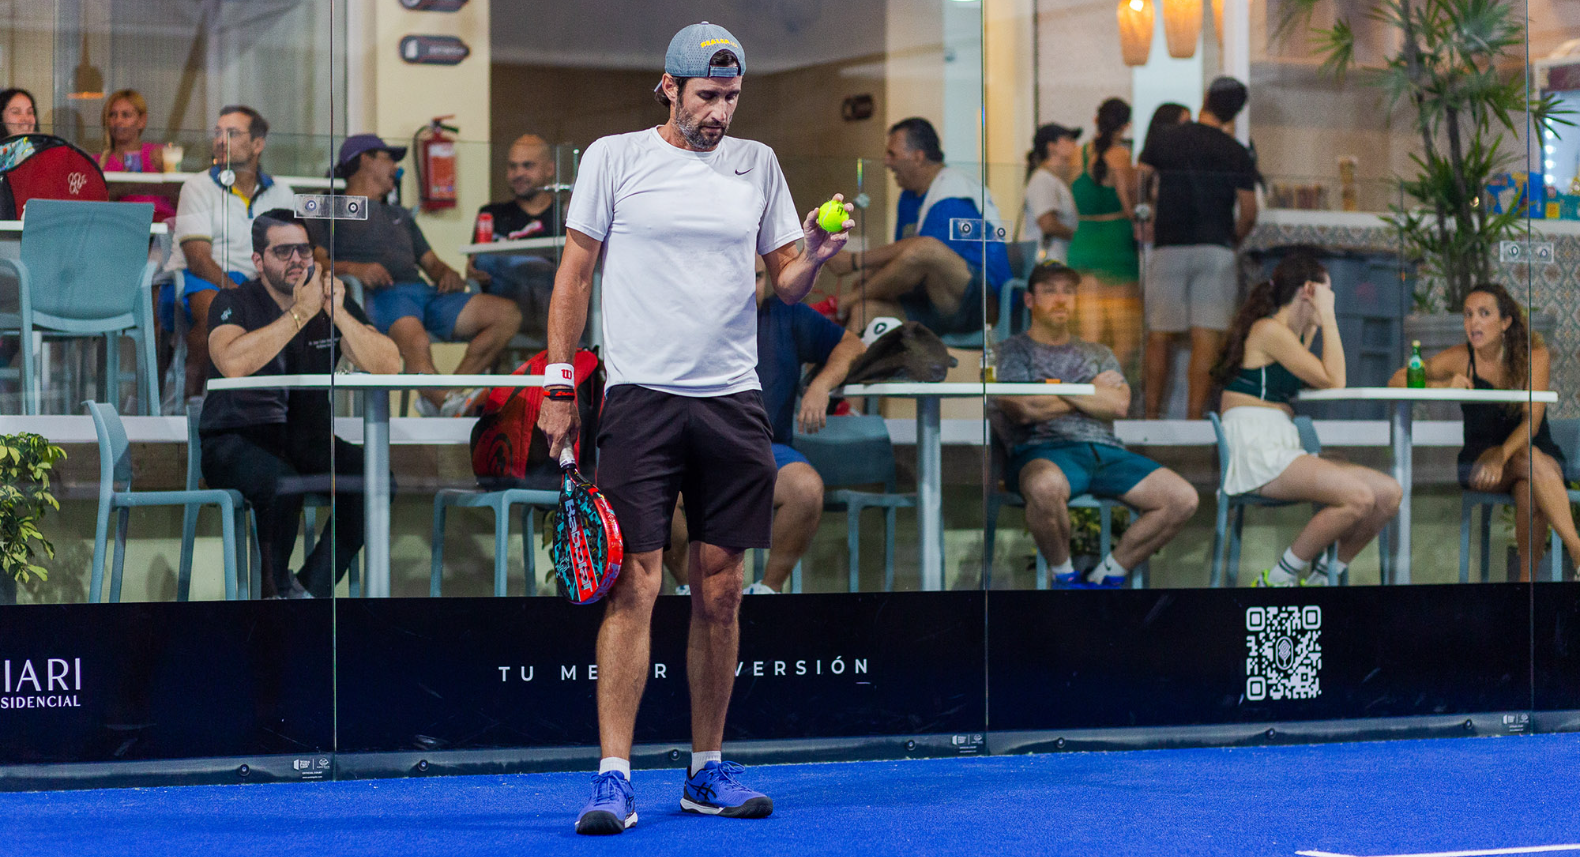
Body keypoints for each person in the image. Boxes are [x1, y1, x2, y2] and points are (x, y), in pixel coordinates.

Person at [536, 21, 850, 834]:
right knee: (634, 584)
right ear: (668, 88)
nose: (721, 111)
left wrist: (816, 253)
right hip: (640, 398)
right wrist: (558, 382)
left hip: (732, 402)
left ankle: (706, 769)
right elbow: (575, 272)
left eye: (732, 96)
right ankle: (613, 778)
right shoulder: (614, 158)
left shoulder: (758, 164)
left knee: (722, 587)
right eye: (707, 95)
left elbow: (786, 283)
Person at [199, 209, 401, 599]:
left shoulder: (327, 302)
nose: (296, 260)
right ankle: (272, 597)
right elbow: (232, 363)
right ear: (258, 261)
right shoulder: (235, 301)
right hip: (236, 438)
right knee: (282, 484)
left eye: (304, 250)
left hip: (306, 439)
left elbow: (389, 363)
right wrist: (300, 313)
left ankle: (308, 592)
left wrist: (338, 314)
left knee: (375, 479)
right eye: (283, 251)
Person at [666, 256, 866, 595]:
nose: (749, 287)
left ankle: (767, 591)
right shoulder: (688, 317)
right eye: (740, 276)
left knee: (805, 489)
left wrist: (821, 385)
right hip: (697, 452)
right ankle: (691, 589)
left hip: (765, 450)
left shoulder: (788, 316)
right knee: (654, 491)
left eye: (758, 277)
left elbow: (853, 345)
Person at [992, 262, 1198, 588]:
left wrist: (1052, 388)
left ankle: (1107, 576)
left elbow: (1118, 404)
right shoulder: (1010, 351)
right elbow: (1024, 409)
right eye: (1050, 290)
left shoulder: (1098, 353)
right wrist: (1090, 390)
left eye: (1068, 291)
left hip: (1105, 453)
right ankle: (1066, 578)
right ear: (1030, 300)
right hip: (1043, 451)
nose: (1061, 299)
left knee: (1182, 498)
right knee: (1044, 488)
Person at [1211, 253, 1400, 587]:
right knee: (1358, 498)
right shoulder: (1268, 329)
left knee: (1388, 493)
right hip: (1257, 446)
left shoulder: (1289, 335)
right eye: (1327, 292)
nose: (1332, 300)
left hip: (1281, 441)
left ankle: (1319, 580)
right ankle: (1276, 578)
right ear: (1308, 291)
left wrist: (1314, 322)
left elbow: (1322, 374)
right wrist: (1327, 315)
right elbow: (1335, 380)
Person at [309, 134, 521, 417]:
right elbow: (315, 261)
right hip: (382, 295)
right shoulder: (330, 206)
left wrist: (446, 272)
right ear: (365, 160)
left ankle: (447, 400)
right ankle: (446, 402)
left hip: (425, 293)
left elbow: (431, 262)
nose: (396, 168)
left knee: (507, 315)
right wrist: (355, 269)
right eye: (389, 159)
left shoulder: (399, 214)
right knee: (415, 339)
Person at [1389, 283, 1580, 580]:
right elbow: (1398, 380)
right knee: (1529, 465)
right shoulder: (1461, 358)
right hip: (1481, 460)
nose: (1473, 322)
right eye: (1468, 314)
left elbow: (1532, 423)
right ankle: (1576, 552)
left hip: (1532, 454)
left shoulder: (1535, 356)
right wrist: (1443, 385)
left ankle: (1526, 584)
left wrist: (1502, 455)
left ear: (1505, 322)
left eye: (1484, 313)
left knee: (1528, 481)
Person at [820, 117, 1011, 337]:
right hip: (933, 300)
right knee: (866, 311)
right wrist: (869, 277)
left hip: (981, 303)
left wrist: (853, 262)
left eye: (892, 154)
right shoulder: (909, 197)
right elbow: (904, 259)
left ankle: (841, 303)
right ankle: (850, 357)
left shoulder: (954, 192)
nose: (886, 162)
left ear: (918, 157)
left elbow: (923, 252)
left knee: (926, 250)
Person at [1140, 77, 1259, 419]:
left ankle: (1151, 418)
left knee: (1159, 335)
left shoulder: (1167, 138)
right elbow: (1249, 211)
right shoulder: (1236, 151)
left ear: (1206, 98)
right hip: (1215, 249)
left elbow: (1139, 180)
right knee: (1206, 337)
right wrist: (1231, 241)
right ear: (1235, 113)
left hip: (1169, 245)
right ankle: (1194, 419)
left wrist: (1144, 215)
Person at [165, 106, 297, 400]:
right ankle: (193, 403)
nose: (220, 140)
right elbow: (198, 260)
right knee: (218, 314)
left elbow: (294, 252)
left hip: (260, 282)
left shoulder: (282, 192)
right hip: (205, 279)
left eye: (232, 133)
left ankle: (282, 407)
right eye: (218, 132)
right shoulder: (197, 186)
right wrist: (242, 296)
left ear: (257, 144)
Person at [1067, 97, 1141, 379]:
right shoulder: (1120, 156)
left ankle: (1087, 386)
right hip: (1115, 245)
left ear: (1096, 120)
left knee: (1090, 334)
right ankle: (1108, 387)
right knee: (1125, 336)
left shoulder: (1078, 154)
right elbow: (1130, 207)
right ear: (1126, 125)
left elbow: (1077, 199)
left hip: (1083, 242)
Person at [467, 133, 566, 340]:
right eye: (513, 166)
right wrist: (473, 270)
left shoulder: (566, 214)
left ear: (550, 169)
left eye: (527, 166)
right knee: (488, 260)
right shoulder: (491, 214)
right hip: (507, 306)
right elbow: (476, 265)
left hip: (554, 301)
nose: (518, 173)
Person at [1019, 123, 1081, 264]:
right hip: (1047, 263)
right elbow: (1047, 224)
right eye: (1068, 139)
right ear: (1052, 146)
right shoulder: (1042, 179)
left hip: (1054, 261)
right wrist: (1079, 237)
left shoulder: (1052, 179)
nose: (1074, 144)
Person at [1135, 102, 1190, 247]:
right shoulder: (1150, 158)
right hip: (1154, 231)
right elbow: (1139, 191)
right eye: (1185, 124)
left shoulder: (1188, 158)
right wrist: (1144, 220)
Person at [97, 90, 164, 173]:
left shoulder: (158, 155)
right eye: (113, 115)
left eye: (125, 115)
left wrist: (164, 168)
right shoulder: (96, 163)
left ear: (142, 120)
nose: (118, 121)